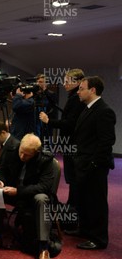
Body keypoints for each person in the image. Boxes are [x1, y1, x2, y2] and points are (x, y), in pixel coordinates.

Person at [0, 134, 56, 259]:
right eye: (21, 152)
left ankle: (43, 248)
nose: (22, 156)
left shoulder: (45, 159)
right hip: (11, 189)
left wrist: (18, 191)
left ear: (36, 152)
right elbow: (2, 170)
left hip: (31, 194)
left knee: (42, 199)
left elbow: (44, 187)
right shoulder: (11, 150)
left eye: (27, 155)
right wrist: (1, 181)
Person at [72, 76, 116, 250]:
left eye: (81, 88)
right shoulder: (88, 108)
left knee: (96, 202)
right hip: (83, 163)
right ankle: (85, 230)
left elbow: (106, 142)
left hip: (94, 166)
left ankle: (98, 239)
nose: (78, 91)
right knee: (83, 199)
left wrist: (94, 164)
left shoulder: (104, 111)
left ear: (92, 90)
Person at [39, 69, 85, 215]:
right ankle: (72, 205)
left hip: (72, 143)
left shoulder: (76, 98)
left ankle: (73, 209)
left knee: (73, 177)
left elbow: (69, 123)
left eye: (67, 81)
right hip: (71, 143)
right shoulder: (73, 96)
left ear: (77, 82)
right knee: (72, 178)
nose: (64, 84)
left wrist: (49, 121)